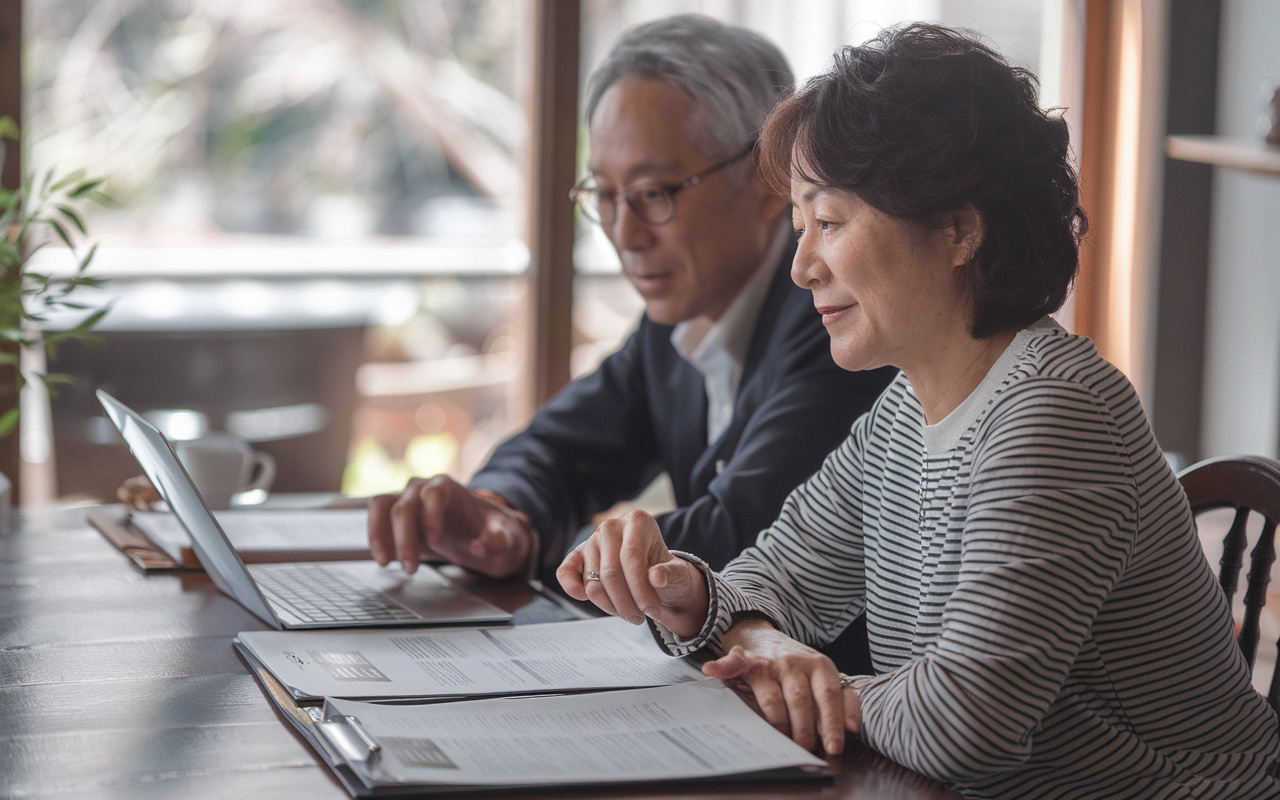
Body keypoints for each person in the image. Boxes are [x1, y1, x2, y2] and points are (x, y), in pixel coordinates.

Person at [558, 23, 1280, 800]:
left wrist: (804, 678)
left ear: (958, 229)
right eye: (799, 228)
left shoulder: (1054, 413)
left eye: (828, 223)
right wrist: (696, 597)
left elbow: (965, 729)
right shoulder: (901, 412)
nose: (801, 268)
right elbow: (773, 581)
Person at [367, 18, 893, 602]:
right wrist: (497, 516)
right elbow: (560, 449)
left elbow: (742, 539)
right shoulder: (681, 319)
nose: (624, 234)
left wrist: (570, 562)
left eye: (652, 193)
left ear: (768, 180)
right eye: (604, 195)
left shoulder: (838, 322)